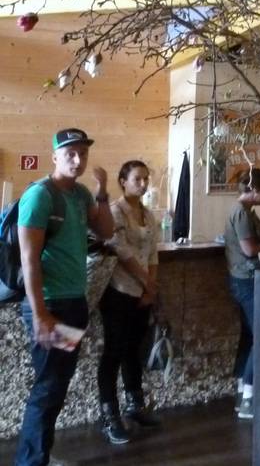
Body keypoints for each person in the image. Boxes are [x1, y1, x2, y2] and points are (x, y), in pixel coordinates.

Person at [15, 128, 115, 466]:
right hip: (50, 305)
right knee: (48, 387)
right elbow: (29, 258)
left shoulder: (81, 194)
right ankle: (31, 461)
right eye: (70, 153)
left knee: (56, 384)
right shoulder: (40, 195)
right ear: (54, 156)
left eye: (82, 153)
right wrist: (40, 314)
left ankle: (39, 455)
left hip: (73, 303)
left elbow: (106, 232)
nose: (77, 159)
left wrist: (102, 192)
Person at [97, 160, 161, 445]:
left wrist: (150, 287)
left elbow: (153, 253)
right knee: (114, 351)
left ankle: (135, 405)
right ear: (123, 181)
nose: (143, 184)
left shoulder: (148, 214)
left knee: (133, 350)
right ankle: (109, 415)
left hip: (142, 291)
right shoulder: (115, 211)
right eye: (137, 179)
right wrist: (147, 282)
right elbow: (121, 251)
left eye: (146, 179)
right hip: (118, 291)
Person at [224, 168, 260, 420]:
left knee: (249, 336)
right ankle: (250, 396)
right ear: (254, 189)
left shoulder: (246, 212)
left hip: (243, 279)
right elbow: (249, 250)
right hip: (246, 281)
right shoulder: (241, 213)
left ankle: (242, 392)